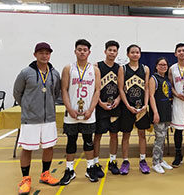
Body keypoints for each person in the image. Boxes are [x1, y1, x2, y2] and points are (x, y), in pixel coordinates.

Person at [13, 42, 61, 195]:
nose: (44, 55)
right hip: (30, 119)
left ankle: (45, 174)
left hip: (49, 119)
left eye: (47, 53)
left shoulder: (54, 73)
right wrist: (29, 107)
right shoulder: (25, 73)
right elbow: (17, 93)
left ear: (50, 55)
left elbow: (56, 92)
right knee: (27, 149)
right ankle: (26, 179)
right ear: (35, 55)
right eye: (41, 52)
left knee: (49, 147)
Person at [59, 39, 101, 185]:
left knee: (88, 142)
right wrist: (69, 108)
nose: (82, 52)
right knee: (71, 141)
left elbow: (97, 91)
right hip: (72, 113)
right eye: (79, 49)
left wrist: (91, 109)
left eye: (85, 50)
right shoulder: (68, 68)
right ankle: (69, 170)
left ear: (89, 52)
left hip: (88, 113)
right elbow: (63, 89)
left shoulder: (94, 69)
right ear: (75, 51)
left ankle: (90, 168)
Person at [117, 44, 151, 175]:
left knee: (142, 134)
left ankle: (143, 160)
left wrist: (145, 104)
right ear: (128, 54)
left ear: (140, 54)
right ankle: (125, 161)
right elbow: (121, 89)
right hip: (127, 107)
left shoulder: (145, 68)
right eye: (132, 52)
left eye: (137, 52)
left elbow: (147, 88)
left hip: (141, 107)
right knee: (126, 135)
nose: (135, 54)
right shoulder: (123, 69)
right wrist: (127, 105)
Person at [93, 40, 122, 176]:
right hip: (100, 107)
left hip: (115, 107)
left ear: (117, 53)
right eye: (110, 50)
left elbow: (122, 89)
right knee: (98, 135)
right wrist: (99, 102)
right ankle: (96, 162)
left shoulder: (119, 68)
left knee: (114, 135)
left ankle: (112, 161)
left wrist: (118, 99)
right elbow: (94, 89)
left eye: (114, 50)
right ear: (105, 51)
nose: (112, 52)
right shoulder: (96, 66)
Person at [149, 57, 174, 174]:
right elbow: (151, 96)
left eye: (165, 65)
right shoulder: (153, 79)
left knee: (163, 138)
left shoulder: (166, 79)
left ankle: (160, 159)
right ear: (156, 66)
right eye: (161, 65)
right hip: (158, 112)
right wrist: (155, 112)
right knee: (159, 138)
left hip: (166, 111)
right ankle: (155, 163)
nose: (163, 66)